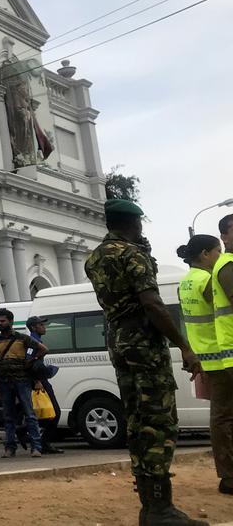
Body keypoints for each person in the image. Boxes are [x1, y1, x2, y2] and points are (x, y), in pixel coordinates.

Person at [85, 199, 203, 524]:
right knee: (159, 420)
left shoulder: (94, 258)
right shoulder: (131, 254)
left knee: (137, 420)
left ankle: (150, 505)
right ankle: (160, 509)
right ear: (134, 223)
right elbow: (152, 304)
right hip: (143, 341)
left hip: (118, 340)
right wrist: (184, 347)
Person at [181, 231, 232, 495]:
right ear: (205, 255)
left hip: (206, 357)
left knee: (220, 417)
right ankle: (229, 475)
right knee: (224, 419)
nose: (219, 256)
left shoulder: (186, 282)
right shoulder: (207, 280)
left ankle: (227, 474)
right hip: (222, 355)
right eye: (216, 251)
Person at [0, 307, 46, 458]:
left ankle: (36, 447)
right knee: (8, 416)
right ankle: (10, 447)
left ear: (11, 321)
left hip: (22, 381)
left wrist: (31, 361)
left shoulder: (22, 338)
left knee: (29, 414)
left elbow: (42, 349)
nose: (0, 323)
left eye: (3, 321)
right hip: (4, 382)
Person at [24, 315, 64, 454]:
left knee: (47, 413)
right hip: (38, 382)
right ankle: (27, 432)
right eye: (41, 325)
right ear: (34, 327)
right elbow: (28, 362)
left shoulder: (37, 340)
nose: (44, 327)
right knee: (54, 412)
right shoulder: (32, 342)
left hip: (41, 379)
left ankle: (43, 442)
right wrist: (36, 380)